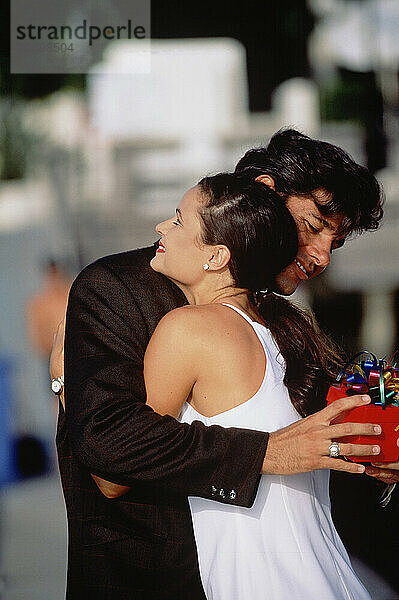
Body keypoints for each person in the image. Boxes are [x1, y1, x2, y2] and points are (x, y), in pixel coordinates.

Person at [53, 129, 394, 599]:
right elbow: (107, 445)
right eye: (314, 227)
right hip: (149, 581)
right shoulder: (117, 288)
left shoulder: (279, 319)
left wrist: (375, 453)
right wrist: (263, 453)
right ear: (266, 195)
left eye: (335, 242)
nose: (321, 256)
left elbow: (311, 453)